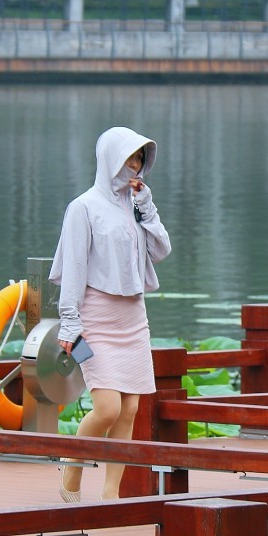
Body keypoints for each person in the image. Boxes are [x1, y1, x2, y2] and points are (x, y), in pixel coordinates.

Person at [50, 126, 171, 502]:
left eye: (139, 159)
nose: (134, 165)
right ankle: (72, 468)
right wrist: (70, 323)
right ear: (109, 160)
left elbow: (161, 251)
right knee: (107, 408)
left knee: (130, 407)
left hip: (133, 318)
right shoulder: (82, 207)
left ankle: (110, 495)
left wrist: (147, 207)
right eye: (128, 158)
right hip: (95, 319)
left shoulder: (135, 206)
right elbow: (73, 269)